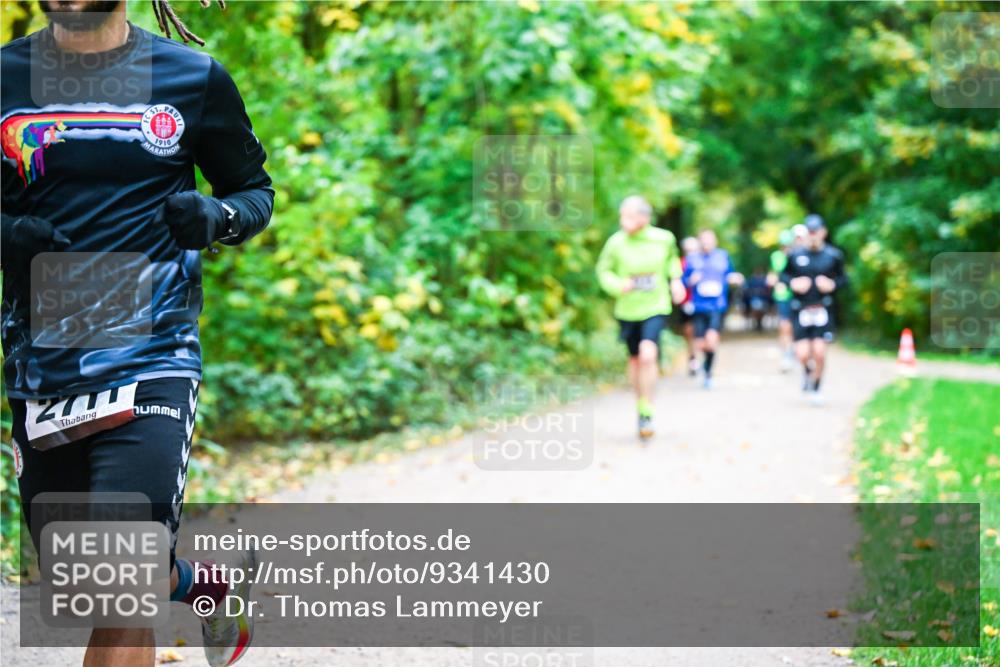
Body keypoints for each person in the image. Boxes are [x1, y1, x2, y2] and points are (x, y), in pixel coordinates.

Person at [2, 1, 272, 665]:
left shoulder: (192, 77)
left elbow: (254, 192)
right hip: (44, 360)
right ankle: (202, 583)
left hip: (154, 350)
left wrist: (218, 216)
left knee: (122, 577)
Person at [596, 195, 686, 440]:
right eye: (622, 216)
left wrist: (676, 281)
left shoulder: (663, 239)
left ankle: (648, 408)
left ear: (644, 218)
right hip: (627, 309)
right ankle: (641, 404)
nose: (623, 221)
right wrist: (618, 285)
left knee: (649, 353)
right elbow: (603, 271)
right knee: (635, 360)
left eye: (629, 216)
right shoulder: (616, 243)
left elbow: (672, 261)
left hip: (655, 306)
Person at [780, 214, 848, 406]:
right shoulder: (795, 255)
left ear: (823, 232)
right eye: (809, 232)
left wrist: (832, 285)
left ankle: (816, 387)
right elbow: (783, 277)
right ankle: (807, 374)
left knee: (819, 352)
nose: (813, 236)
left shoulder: (833, 256)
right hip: (800, 309)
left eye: (816, 231)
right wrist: (793, 283)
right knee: (802, 354)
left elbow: (844, 280)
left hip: (822, 309)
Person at [681, 229, 743, 389]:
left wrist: (734, 279)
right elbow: (683, 280)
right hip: (699, 307)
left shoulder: (723, 256)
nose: (707, 243)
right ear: (700, 241)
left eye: (710, 240)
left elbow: (730, 273)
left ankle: (708, 373)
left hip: (717, 306)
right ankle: (704, 364)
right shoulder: (692, 259)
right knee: (701, 344)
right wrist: (690, 280)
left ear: (715, 241)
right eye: (704, 240)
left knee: (712, 340)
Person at [767, 229, 797, 371]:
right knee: (785, 326)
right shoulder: (776, 257)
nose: (786, 247)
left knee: (795, 326)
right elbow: (773, 274)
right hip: (782, 295)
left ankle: (795, 352)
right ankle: (786, 354)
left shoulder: (798, 255)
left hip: (797, 295)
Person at [678, 236, 701, 376]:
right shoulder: (680, 264)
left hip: (704, 304)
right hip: (687, 303)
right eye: (688, 250)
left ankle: (703, 359)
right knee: (690, 332)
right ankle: (693, 358)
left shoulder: (704, 262)